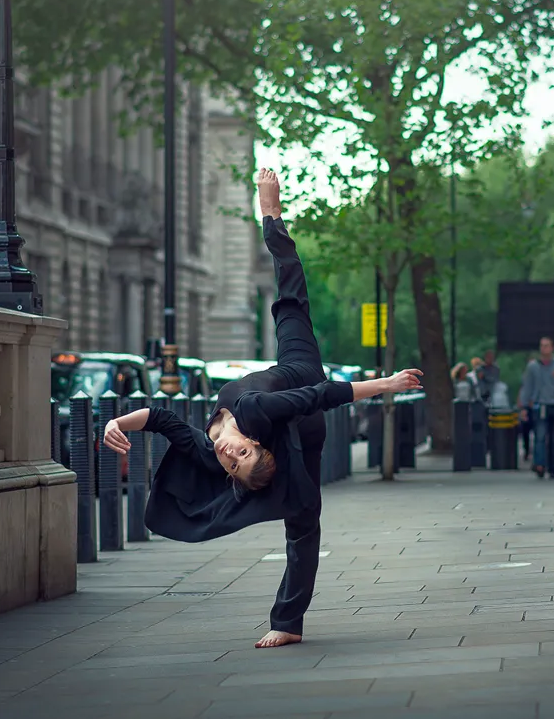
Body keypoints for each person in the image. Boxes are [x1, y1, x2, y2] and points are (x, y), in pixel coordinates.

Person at [102, 169, 422, 649]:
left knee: (302, 520)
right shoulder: (253, 412)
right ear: (253, 441)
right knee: (291, 298)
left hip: (293, 416)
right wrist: (388, 383)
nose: (229, 454)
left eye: (232, 463)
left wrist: (117, 422)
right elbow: (320, 396)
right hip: (302, 377)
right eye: (243, 454)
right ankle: (273, 216)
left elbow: (162, 420)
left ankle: (286, 622)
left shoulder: (211, 451)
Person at [517, 336, 554, 479]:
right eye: (542, 346)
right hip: (539, 404)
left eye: (547, 345)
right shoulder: (533, 367)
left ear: (552, 348)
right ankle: (540, 464)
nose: (544, 348)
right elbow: (527, 386)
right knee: (540, 435)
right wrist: (524, 405)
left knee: (553, 437)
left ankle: (552, 467)